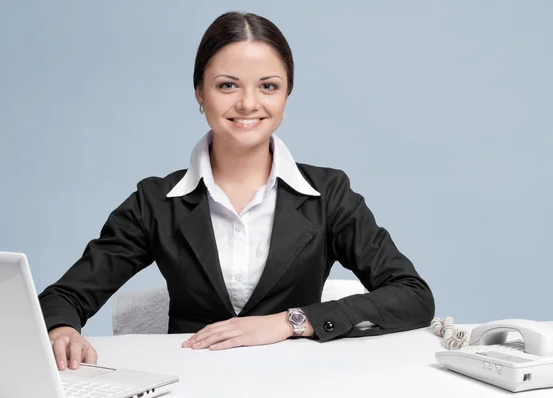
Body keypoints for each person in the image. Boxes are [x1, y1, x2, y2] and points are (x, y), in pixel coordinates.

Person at [38, 11, 435, 371]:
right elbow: (63, 297)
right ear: (199, 93)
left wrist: (291, 321)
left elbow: (413, 296)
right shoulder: (156, 202)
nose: (248, 103)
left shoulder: (327, 194)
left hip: (303, 381)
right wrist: (61, 330)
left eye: (268, 86)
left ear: (286, 94)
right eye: (227, 85)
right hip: (191, 380)